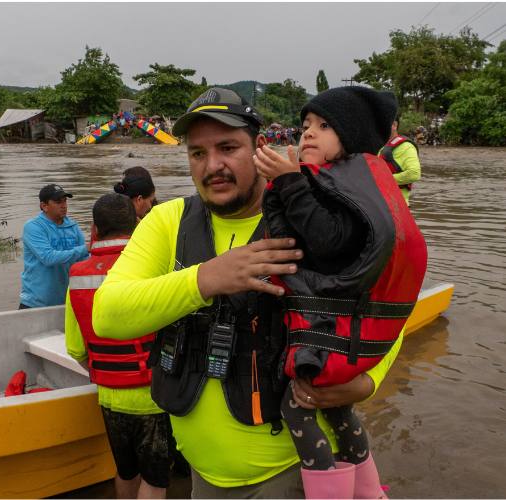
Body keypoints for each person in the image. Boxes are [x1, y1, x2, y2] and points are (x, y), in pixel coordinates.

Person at [92, 87, 403, 498]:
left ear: (259, 146)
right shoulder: (166, 222)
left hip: (294, 471)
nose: (213, 166)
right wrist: (206, 279)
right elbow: (107, 314)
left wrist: (368, 382)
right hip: (203, 475)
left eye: (227, 147)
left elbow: (388, 306)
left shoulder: (313, 215)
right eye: (198, 153)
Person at [253, 86, 427, 498]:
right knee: (338, 408)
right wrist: (288, 184)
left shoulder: (347, 188)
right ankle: (370, 492)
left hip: (338, 340)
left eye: (324, 126)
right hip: (353, 338)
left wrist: (290, 183)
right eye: (306, 125)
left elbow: (329, 241)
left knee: (296, 406)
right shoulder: (350, 181)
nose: (308, 133)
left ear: (351, 137)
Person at [65, 193, 173, 499]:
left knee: (126, 471)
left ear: (94, 230)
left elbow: (75, 349)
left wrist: (106, 373)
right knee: (155, 480)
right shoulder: (157, 267)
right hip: (154, 395)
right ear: (138, 225)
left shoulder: (77, 277)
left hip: (109, 398)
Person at [18, 184, 88, 309]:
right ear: (44, 206)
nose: (64, 205)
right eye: (58, 202)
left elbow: (84, 259)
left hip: (65, 301)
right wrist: (85, 249)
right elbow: (48, 258)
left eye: (65, 201)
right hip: (35, 303)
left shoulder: (73, 226)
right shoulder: (33, 227)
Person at [379, 117, 421, 205]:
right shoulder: (379, 145)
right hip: (379, 203)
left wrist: (383, 180)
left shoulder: (407, 147)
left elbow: (414, 173)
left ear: (394, 125)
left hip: (398, 206)